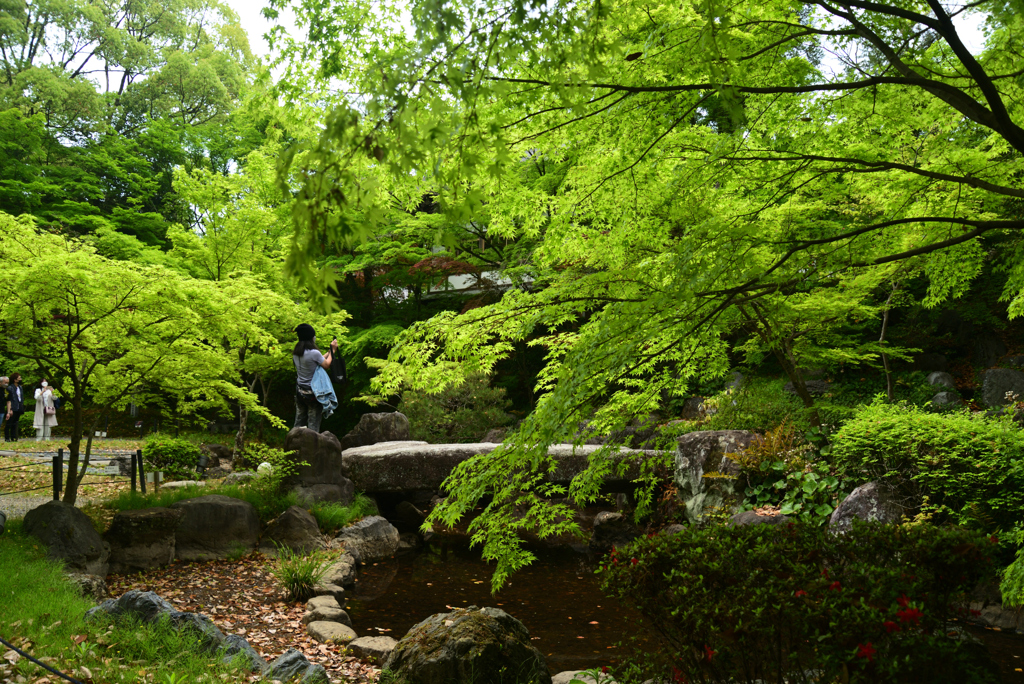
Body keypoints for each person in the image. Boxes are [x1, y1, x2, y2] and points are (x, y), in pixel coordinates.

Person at [293, 324, 337, 433]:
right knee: (313, 425)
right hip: (313, 395)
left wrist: (328, 352)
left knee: (299, 422)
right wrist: (333, 350)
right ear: (311, 338)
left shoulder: (296, 352)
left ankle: (294, 445)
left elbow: (317, 360)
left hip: (300, 392)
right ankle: (312, 447)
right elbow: (326, 365)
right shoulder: (314, 353)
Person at [4, 373, 24, 442]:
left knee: (15, 423)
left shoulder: (20, 387)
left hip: (19, 407)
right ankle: (7, 437)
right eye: (19, 378)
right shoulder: (10, 388)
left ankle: (13, 437)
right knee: (9, 423)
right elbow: (9, 399)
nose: (20, 379)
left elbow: (21, 397)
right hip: (13, 407)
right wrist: (10, 409)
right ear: (15, 380)